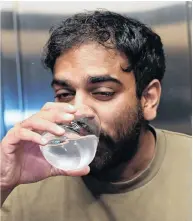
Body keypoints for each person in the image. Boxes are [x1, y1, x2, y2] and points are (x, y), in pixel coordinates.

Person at [0, 10, 191, 221]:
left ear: (148, 98)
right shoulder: (27, 176)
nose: (77, 112)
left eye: (103, 93)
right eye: (64, 94)